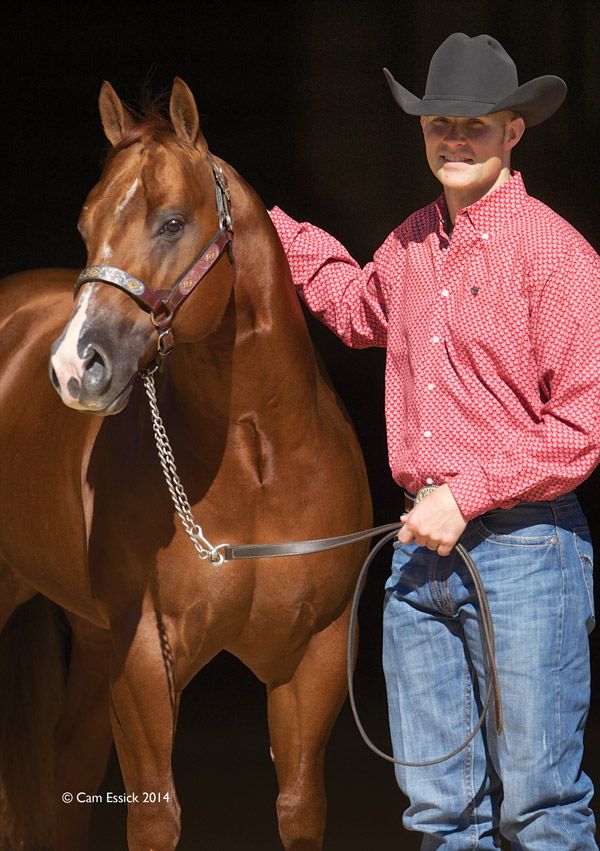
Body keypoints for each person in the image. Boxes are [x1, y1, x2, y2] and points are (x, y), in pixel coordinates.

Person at [269, 32, 600, 850]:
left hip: (528, 552)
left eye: (475, 124)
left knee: (541, 809)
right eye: (437, 123)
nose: (454, 139)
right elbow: (353, 306)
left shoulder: (557, 253)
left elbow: (582, 425)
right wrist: (255, 218)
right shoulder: (411, 242)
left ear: (513, 131)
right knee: (439, 817)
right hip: (421, 559)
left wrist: (468, 491)